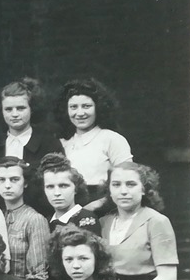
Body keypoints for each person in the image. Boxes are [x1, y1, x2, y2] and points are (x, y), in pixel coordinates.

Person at [55, 78, 132, 211]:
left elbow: (128, 181)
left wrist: (90, 209)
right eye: (73, 107)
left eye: (86, 106)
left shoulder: (112, 140)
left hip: (104, 211)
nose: (80, 113)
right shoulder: (62, 143)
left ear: (98, 107)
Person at [0, 78, 55, 210]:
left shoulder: (49, 144)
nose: (14, 114)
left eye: (20, 108)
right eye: (8, 109)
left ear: (31, 109)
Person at [0, 156, 51, 280]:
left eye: (14, 179)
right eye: (1, 180)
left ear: (25, 183)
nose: (7, 185)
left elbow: (38, 276)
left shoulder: (34, 220)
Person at [38, 153, 102, 235]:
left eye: (63, 186)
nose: (57, 193)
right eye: (50, 187)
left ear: (76, 188)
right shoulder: (46, 223)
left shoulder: (86, 220)